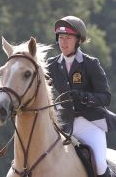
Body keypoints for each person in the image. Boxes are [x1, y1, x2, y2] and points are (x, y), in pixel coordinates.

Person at [46, 15, 116, 177]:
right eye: (61, 38)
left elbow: (105, 97)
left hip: (89, 123)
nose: (63, 42)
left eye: (68, 38)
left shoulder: (91, 64)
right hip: (62, 123)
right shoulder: (51, 65)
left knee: (99, 165)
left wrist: (82, 96)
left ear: (78, 40)